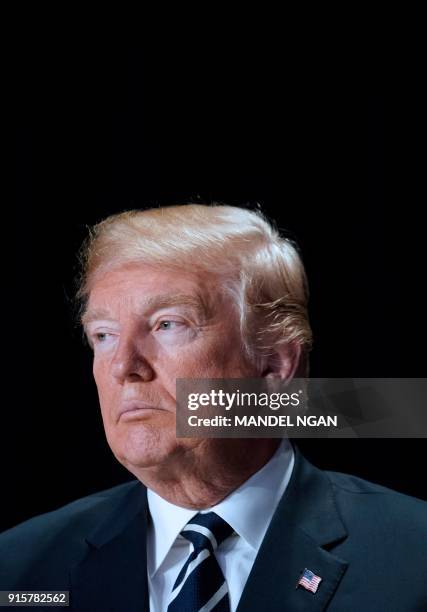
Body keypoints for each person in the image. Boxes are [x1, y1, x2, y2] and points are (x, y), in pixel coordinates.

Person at [0, 204, 426, 611]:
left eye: (168, 324)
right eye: (103, 335)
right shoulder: (19, 569)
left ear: (274, 364)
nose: (123, 367)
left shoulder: (414, 556)